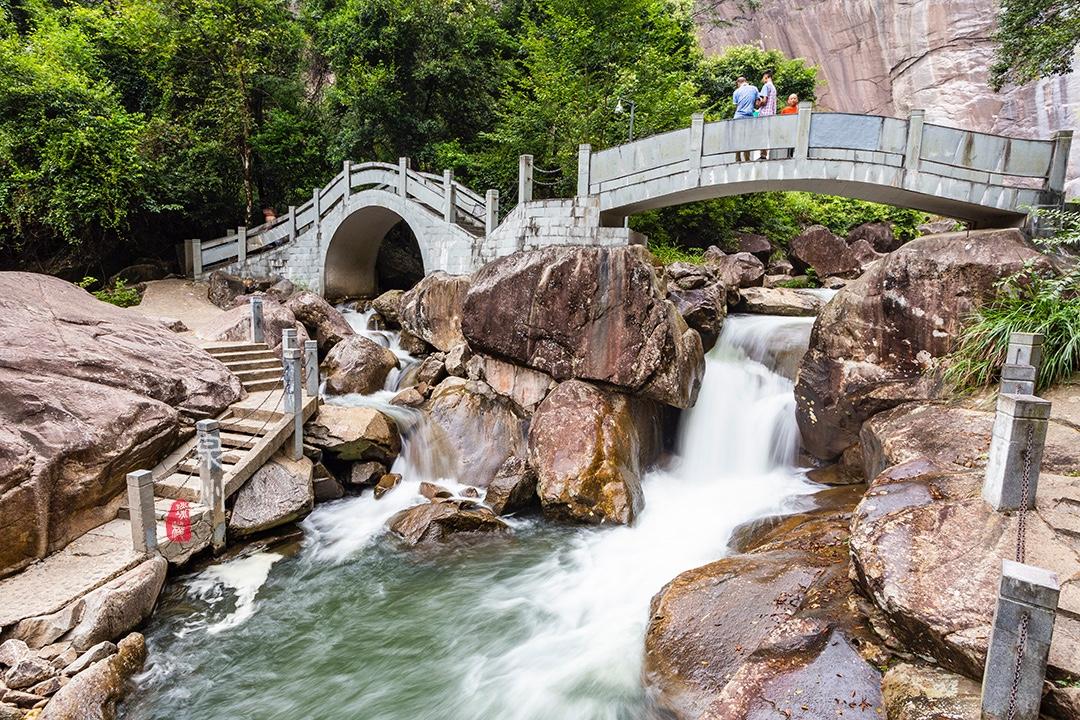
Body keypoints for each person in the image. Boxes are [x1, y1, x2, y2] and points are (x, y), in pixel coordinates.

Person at [732, 76, 758, 162]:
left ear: (738, 83)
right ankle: (747, 158)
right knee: (747, 138)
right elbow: (758, 102)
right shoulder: (754, 89)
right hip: (749, 116)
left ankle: (738, 158)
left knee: (738, 137)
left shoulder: (736, 91)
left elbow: (736, 106)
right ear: (746, 81)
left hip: (738, 116)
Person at [757, 71, 777, 159]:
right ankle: (765, 154)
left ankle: (763, 154)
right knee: (767, 134)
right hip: (771, 114)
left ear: (766, 77)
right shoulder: (773, 88)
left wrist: (758, 104)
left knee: (762, 134)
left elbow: (764, 101)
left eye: (763, 77)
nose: (762, 80)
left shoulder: (766, 86)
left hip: (764, 113)